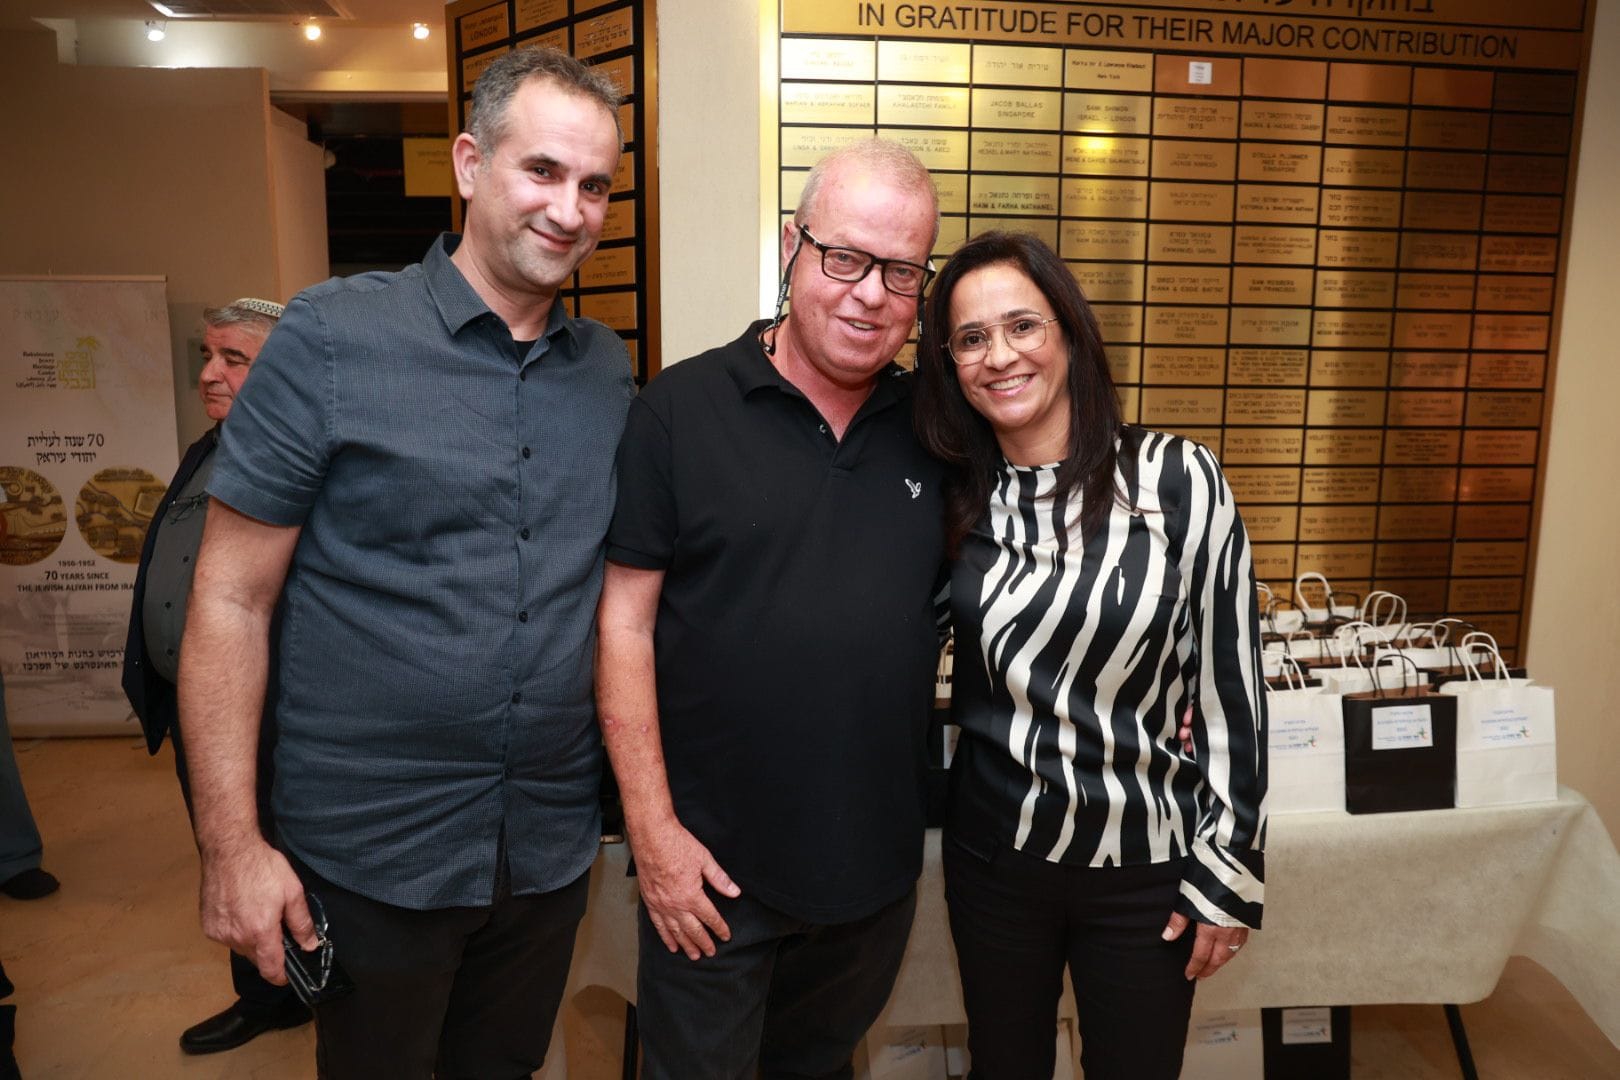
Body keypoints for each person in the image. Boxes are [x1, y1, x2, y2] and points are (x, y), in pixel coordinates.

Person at [176, 46, 632, 1078]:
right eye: (543, 171)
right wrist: (233, 847)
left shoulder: (604, 372)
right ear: (469, 164)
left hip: (544, 850)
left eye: (595, 185)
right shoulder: (333, 338)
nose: (570, 209)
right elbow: (231, 598)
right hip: (373, 850)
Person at [596, 138, 947, 1079]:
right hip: (710, 877)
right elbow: (622, 626)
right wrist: (653, 836)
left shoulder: (939, 428)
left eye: (901, 272)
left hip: (871, 880)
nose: (870, 295)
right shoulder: (678, 411)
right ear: (792, 246)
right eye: (846, 258)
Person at [912, 231, 1267, 1080]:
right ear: (951, 366)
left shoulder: (1178, 478)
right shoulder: (955, 499)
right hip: (995, 858)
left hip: (1146, 865)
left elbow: (1233, 687)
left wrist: (1230, 867)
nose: (1000, 356)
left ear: (1070, 333)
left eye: (1023, 325)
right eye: (971, 338)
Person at [120, 298, 311, 1054]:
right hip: (194, 699)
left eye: (233, 359)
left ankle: (306, 988)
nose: (208, 373)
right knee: (226, 846)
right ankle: (267, 995)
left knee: (282, 846)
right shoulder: (208, 449)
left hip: (269, 708)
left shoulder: (306, 461)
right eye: (207, 355)